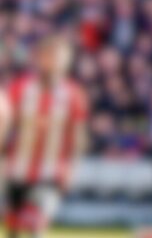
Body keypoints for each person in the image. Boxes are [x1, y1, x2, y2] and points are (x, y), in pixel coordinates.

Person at [2, 36, 88, 238]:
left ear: (66, 62)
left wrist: (72, 167)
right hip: (17, 169)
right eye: (47, 56)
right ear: (38, 59)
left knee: (35, 222)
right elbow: (5, 123)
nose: (51, 62)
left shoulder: (73, 94)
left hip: (51, 171)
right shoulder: (19, 88)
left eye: (57, 58)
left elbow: (77, 135)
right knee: (13, 228)